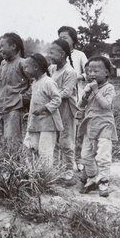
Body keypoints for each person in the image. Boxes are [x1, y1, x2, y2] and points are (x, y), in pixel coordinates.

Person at [78, 56, 117, 198]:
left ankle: (103, 183)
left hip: (104, 125)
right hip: (90, 125)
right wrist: (86, 94)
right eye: (89, 71)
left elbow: (106, 105)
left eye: (96, 71)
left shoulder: (109, 88)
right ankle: (93, 178)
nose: (92, 74)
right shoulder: (88, 87)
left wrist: (95, 91)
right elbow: (80, 106)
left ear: (106, 72)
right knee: (86, 156)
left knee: (103, 156)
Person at [0, 32, 29, 142]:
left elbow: (34, 83)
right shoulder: (3, 64)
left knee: (11, 141)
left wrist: (23, 99)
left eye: (2, 46)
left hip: (14, 109)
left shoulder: (23, 63)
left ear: (13, 46)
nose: (0, 50)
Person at [22, 53, 63, 166]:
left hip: (48, 124)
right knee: (31, 147)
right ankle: (36, 174)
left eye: (26, 67)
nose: (24, 70)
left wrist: (44, 108)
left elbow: (57, 100)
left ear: (36, 67)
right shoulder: (35, 83)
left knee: (45, 151)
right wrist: (30, 114)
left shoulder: (48, 82)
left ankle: (47, 177)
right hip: (36, 122)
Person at [49, 39, 78, 182]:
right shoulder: (52, 69)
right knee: (54, 138)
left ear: (62, 54)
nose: (50, 55)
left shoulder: (70, 71)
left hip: (65, 108)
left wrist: (51, 98)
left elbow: (66, 92)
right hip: (54, 109)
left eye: (52, 53)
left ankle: (68, 170)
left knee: (66, 139)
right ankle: (55, 168)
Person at [57, 26, 88, 99]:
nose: (62, 40)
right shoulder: (56, 56)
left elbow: (89, 73)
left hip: (76, 95)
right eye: (60, 38)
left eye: (65, 38)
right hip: (60, 95)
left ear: (73, 40)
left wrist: (77, 77)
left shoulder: (80, 55)